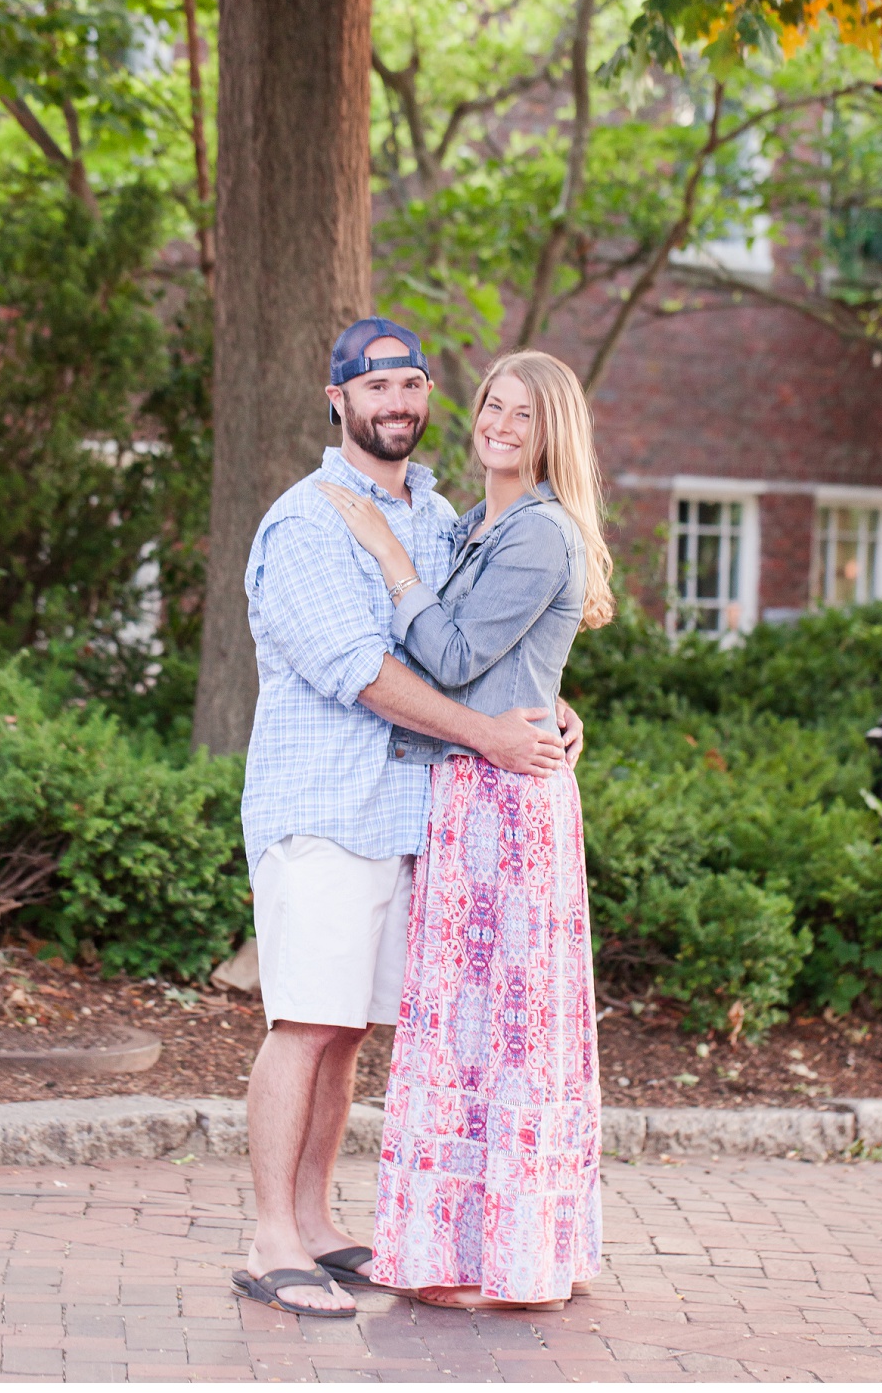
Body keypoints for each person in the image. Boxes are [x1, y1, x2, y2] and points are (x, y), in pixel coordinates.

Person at [235, 318, 583, 1319]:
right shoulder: (310, 520)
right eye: (373, 386)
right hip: (326, 808)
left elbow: (481, 638)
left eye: (412, 385)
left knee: (346, 1034)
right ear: (336, 399)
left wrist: (548, 708)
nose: (396, 403)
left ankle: (315, 1221)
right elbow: (368, 676)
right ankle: (270, 1240)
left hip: (409, 817)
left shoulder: (434, 514)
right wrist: (489, 735)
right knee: (304, 1023)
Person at [316, 349, 615, 1311]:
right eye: (492, 402)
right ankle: (471, 1249)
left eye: (522, 414)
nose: (498, 422)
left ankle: (502, 1259)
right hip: (473, 787)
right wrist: (553, 698)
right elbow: (509, 662)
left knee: (504, 1030)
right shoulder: (479, 521)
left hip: (506, 805)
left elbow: (446, 657)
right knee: (464, 1027)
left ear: (551, 432)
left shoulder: (537, 534)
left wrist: (390, 557)